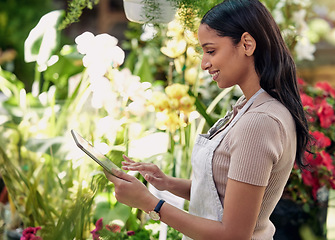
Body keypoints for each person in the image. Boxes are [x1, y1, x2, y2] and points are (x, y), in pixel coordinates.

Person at [104, 0, 311, 239]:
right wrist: (167, 183)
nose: (204, 63)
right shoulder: (250, 106)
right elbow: (226, 194)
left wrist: (150, 203)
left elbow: (233, 234)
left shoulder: (260, 122)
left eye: (211, 51)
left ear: (247, 43)